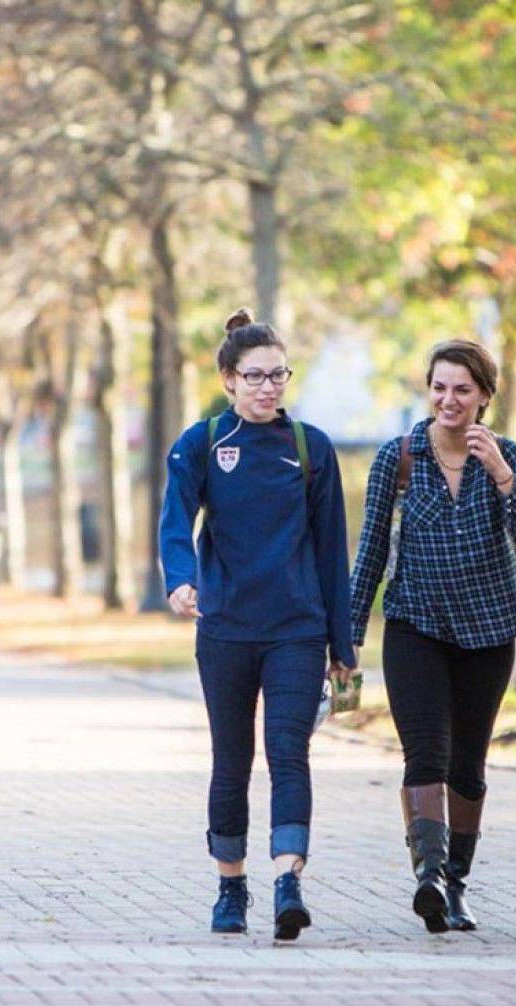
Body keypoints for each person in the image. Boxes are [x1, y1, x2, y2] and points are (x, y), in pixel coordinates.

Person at [159, 308, 356, 942]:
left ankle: (288, 883)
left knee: (289, 752)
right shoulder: (202, 443)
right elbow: (175, 520)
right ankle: (229, 886)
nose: (268, 387)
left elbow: (332, 552)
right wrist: (181, 578)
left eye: (279, 375)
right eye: (255, 376)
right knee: (231, 759)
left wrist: (343, 646)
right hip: (225, 629)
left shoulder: (311, 447)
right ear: (228, 380)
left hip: (297, 629)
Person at [350, 338, 516, 934]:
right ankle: (429, 878)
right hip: (416, 626)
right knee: (426, 755)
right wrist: (349, 637)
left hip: (488, 633)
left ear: (485, 396)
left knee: (468, 764)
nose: (449, 399)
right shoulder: (400, 456)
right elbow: (371, 551)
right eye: (439, 387)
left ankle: (457, 885)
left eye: (462, 389)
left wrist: (503, 475)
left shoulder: (507, 455)